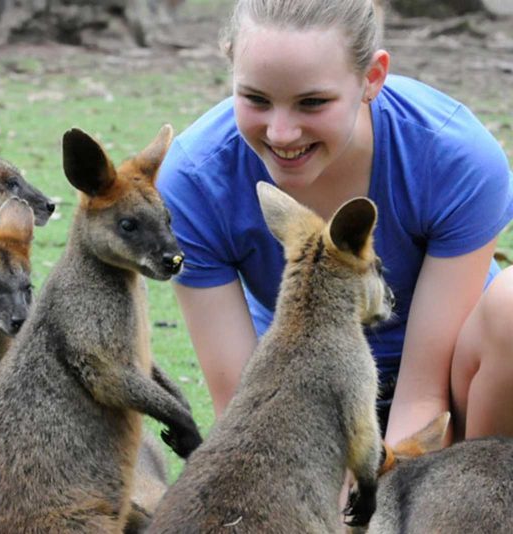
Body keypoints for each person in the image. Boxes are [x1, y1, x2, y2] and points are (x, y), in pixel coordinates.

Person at [157, 0, 513, 447]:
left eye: (313, 103)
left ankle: (476, 499)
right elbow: (243, 411)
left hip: (460, 391)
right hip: (307, 399)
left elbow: (423, 395)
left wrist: (387, 495)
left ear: (372, 79)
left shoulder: (452, 155)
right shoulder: (195, 181)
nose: (281, 133)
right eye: (255, 99)